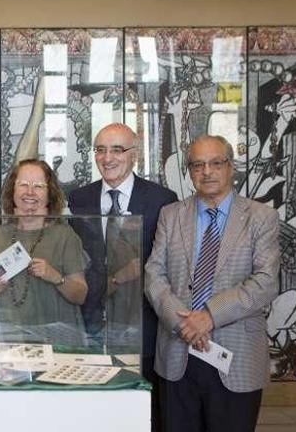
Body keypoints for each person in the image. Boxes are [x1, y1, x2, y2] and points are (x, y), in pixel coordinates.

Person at [145, 135, 280, 432]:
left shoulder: (261, 217)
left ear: (231, 167)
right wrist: (183, 324)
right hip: (177, 354)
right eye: (197, 164)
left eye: (216, 163)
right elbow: (154, 275)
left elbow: (266, 281)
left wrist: (209, 316)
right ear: (189, 171)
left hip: (237, 354)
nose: (207, 171)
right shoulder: (170, 215)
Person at [68, 123, 177, 431]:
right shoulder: (79, 199)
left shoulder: (163, 200)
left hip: (143, 324)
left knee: (142, 413)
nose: (108, 158)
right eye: (100, 150)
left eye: (117, 149)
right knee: (96, 413)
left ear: (134, 156)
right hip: (92, 325)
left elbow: (169, 263)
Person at [0, 159, 87, 341]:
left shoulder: (65, 235)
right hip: (8, 340)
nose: (30, 192)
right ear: (12, 191)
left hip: (58, 344)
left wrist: (56, 277)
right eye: (23, 184)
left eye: (39, 186)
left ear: (50, 194)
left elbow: (80, 294)